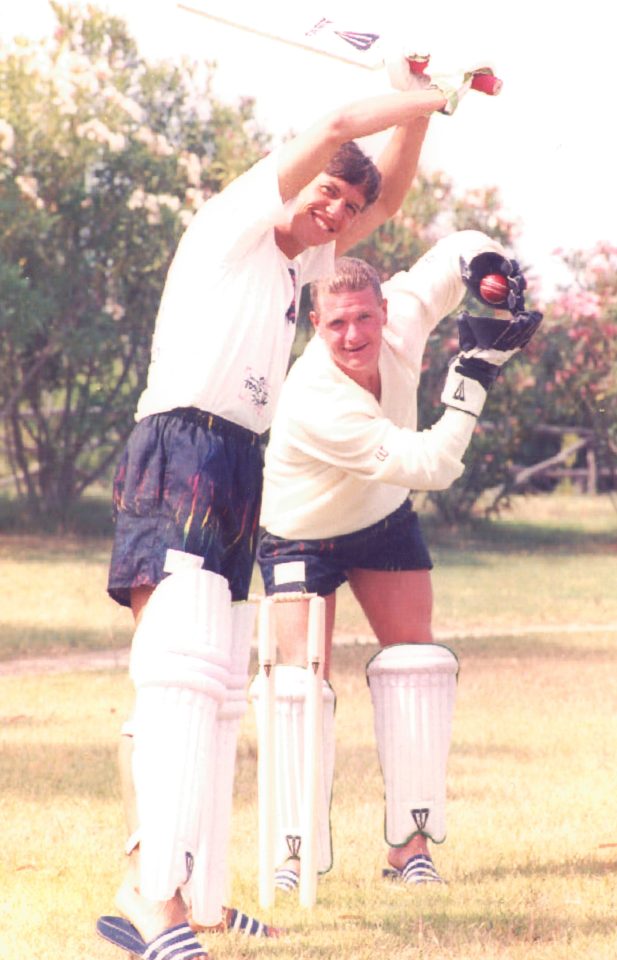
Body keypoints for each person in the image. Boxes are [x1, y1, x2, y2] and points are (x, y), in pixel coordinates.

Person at [96, 61, 488, 958]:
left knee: (222, 686)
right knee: (176, 675)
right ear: (294, 177)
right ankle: (146, 900)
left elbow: (382, 195)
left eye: (344, 209)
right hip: (180, 442)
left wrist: (414, 99)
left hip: (240, 458)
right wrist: (438, 94)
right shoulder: (235, 221)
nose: (336, 215)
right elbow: (341, 119)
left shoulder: (310, 259)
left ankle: (190, 893)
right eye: (324, 195)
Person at [255, 234, 542, 890]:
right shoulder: (314, 397)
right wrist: (472, 377)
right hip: (297, 533)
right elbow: (435, 465)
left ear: (384, 309)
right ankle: (293, 855)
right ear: (314, 326)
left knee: (417, 669)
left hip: (381, 519)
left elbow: (457, 249)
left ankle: (408, 851)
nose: (352, 333)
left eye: (363, 316)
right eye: (335, 323)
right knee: (296, 691)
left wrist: (487, 267)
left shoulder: (404, 318)